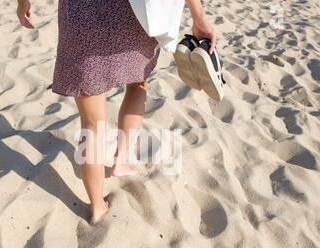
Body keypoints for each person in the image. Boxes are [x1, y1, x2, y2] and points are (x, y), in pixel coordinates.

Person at [16, 0, 216, 224]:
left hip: (80, 20)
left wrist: (22, 4)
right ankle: (121, 158)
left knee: (91, 126)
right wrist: (199, 18)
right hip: (130, 17)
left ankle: (97, 206)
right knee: (138, 84)